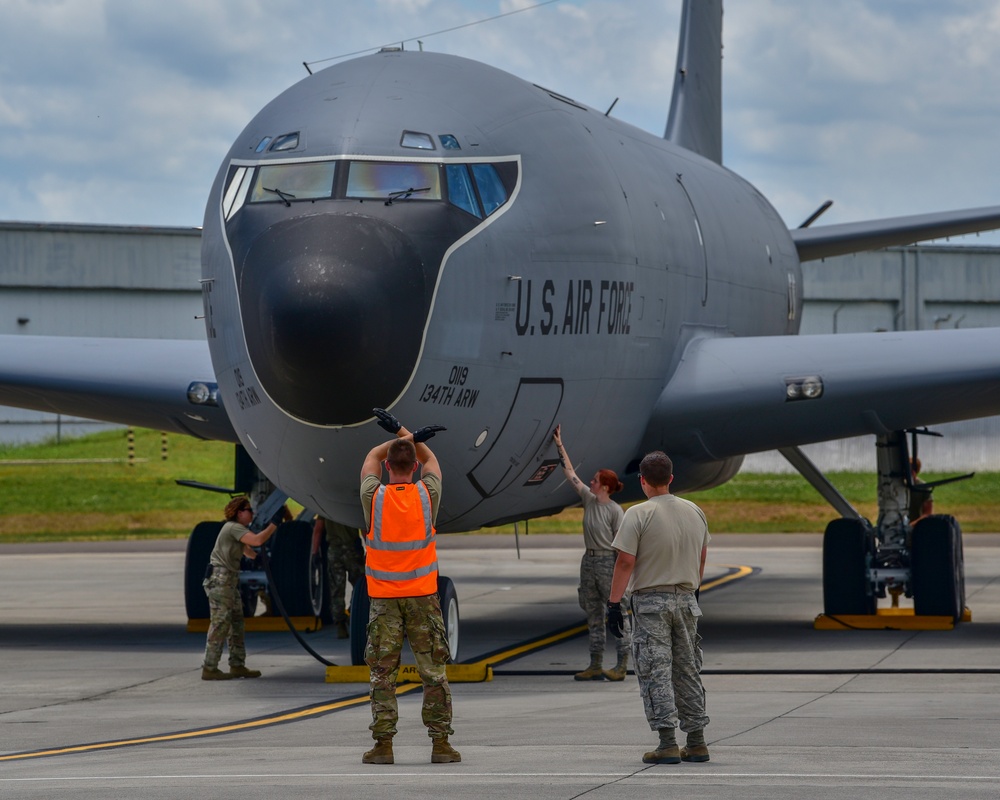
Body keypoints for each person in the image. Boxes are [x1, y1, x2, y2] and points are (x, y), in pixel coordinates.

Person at [359, 407, 459, 766]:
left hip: (384, 600)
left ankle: (383, 745)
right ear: (414, 466)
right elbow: (430, 458)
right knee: (433, 672)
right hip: (422, 598)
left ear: (388, 467)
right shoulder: (427, 495)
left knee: (382, 674)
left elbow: (372, 456)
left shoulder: (374, 497)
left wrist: (398, 436)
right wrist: (411, 436)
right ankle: (441, 745)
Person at [607, 451, 711, 764]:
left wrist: (614, 604)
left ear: (642, 481)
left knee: (656, 672)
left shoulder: (638, 514)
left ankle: (667, 742)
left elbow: (626, 560)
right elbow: (702, 555)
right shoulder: (695, 511)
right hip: (686, 598)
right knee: (688, 670)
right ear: (671, 478)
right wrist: (694, 589)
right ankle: (696, 741)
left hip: (652, 602)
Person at [551, 424, 630, 681]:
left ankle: (621, 665)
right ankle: (595, 664)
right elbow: (569, 472)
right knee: (593, 612)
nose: (591, 482)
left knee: (615, 613)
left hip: (608, 562)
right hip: (589, 562)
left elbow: (623, 546)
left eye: (595, 480)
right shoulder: (588, 498)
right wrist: (559, 445)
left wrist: (622, 578)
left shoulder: (615, 511)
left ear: (605, 487)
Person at [201, 496, 288, 680]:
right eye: (248, 510)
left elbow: (248, 550)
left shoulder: (237, 531)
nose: (252, 513)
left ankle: (237, 665)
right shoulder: (233, 527)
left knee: (237, 623)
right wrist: (273, 525)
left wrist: (258, 558)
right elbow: (256, 541)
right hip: (221, 581)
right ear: (239, 512)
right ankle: (210, 667)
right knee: (220, 623)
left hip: (229, 582)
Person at [313, 516, 365, 638]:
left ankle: (340, 624)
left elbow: (318, 529)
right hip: (352, 550)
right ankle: (353, 612)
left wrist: (314, 552)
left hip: (334, 551)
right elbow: (364, 529)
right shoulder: (350, 504)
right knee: (359, 585)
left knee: (337, 589)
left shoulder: (325, 505)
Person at [909, 457, 934, 522]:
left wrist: (912, 525)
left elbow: (927, 513)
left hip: (917, 526)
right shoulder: (898, 486)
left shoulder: (924, 487)